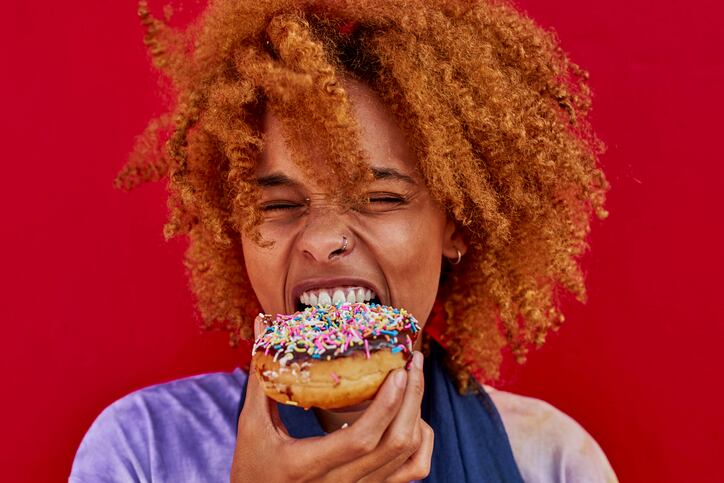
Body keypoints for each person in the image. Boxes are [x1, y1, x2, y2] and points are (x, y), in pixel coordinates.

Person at [71, 0, 617, 481]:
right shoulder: (140, 450)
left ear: (456, 226)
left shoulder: (553, 461)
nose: (325, 240)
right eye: (280, 205)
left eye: (380, 198)